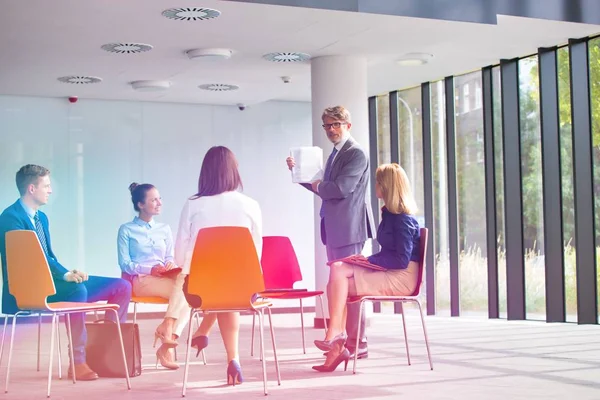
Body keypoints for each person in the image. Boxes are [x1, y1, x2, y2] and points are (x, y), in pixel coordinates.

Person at [0, 164, 132, 381]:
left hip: (54, 281)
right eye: (47, 186)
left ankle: (106, 354)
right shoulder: (9, 219)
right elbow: (30, 261)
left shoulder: (41, 218)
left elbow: (48, 258)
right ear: (32, 188)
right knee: (76, 290)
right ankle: (78, 362)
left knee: (122, 287)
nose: (50, 190)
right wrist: (65, 276)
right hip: (31, 289)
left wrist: (68, 273)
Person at [312, 163, 420, 372]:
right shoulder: (389, 214)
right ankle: (336, 336)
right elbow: (390, 252)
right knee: (338, 268)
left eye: (378, 182)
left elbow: (401, 260)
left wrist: (370, 262)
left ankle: (336, 343)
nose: (375, 185)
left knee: (336, 288)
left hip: (402, 277)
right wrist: (365, 259)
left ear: (387, 187)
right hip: (390, 269)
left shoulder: (403, 220)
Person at [286, 105, 374, 359]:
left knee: (351, 287)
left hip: (349, 229)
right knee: (341, 287)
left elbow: (339, 189)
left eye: (336, 124)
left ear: (348, 125)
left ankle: (358, 342)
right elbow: (322, 186)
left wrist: (316, 183)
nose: (331, 130)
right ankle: (343, 341)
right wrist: (298, 174)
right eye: (327, 125)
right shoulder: (337, 153)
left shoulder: (355, 153)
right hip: (336, 228)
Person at [175, 145, 262, 386]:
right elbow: (256, 252)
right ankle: (232, 358)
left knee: (219, 288)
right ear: (235, 171)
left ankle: (205, 332)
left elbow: (181, 256)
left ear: (205, 172)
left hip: (200, 288)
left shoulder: (193, 205)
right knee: (230, 289)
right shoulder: (250, 205)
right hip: (245, 287)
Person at [117, 182, 190, 370]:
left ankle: (167, 336)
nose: (159, 203)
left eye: (160, 199)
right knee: (187, 297)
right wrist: (150, 270)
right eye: (153, 200)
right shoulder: (126, 230)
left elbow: (169, 256)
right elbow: (125, 264)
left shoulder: (164, 229)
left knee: (187, 282)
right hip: (142, 280)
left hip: (165, 277)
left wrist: (169, 265)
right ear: (141, 205)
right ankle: (168, 343)